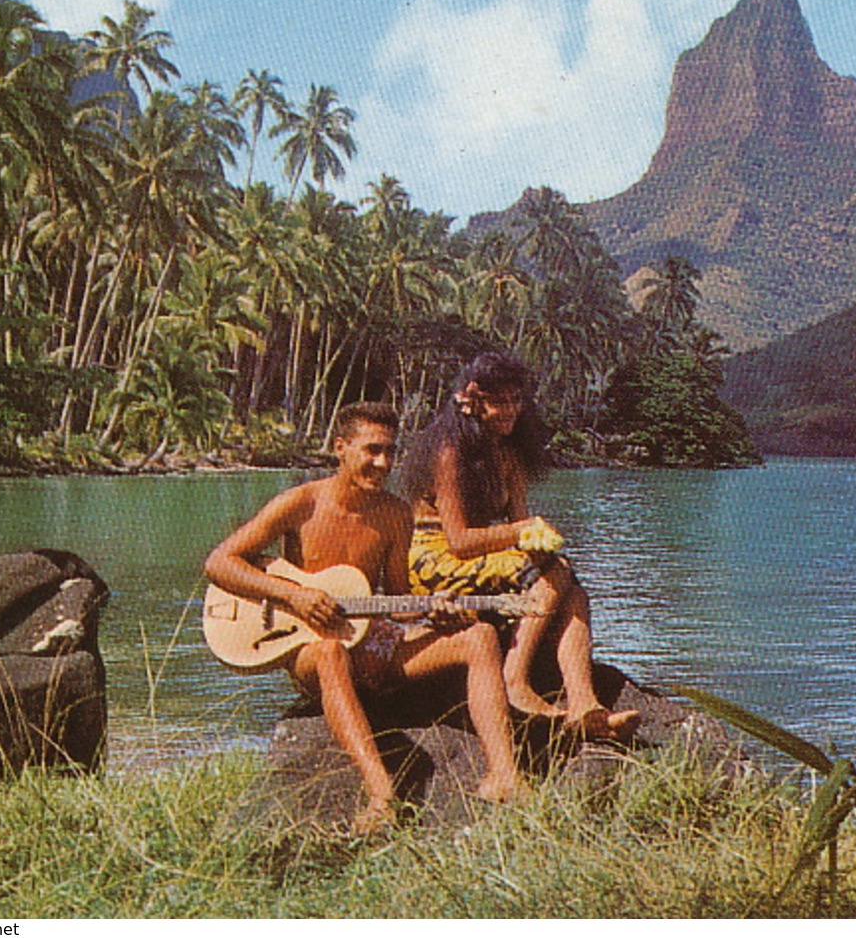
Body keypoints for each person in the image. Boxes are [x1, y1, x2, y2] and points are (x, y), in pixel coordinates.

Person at [204, 401, 522, 834]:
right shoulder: (301, 502)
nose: (383, 463)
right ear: (340, 448)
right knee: (330, 649)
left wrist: (436, 613)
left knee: (481, 635)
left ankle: (504, 775)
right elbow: (220, 563)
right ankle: (381, 794)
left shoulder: (393, 514)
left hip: (372, 642)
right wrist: (294, 596)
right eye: (372, 450)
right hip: (311, 647)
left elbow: (398, 599)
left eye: (390, 452)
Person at [399, 353, 639, 740]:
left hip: (480, 557)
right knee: (554, 572)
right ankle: (514, 677)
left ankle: (583, 703)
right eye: (501, 402)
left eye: (516, 400)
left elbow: (519, 530)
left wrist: (535, 538)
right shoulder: (448, 452)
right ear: (475, 401)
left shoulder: (508, 454)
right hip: (434, 557)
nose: (511, 410)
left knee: (573, 593)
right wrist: (525, 530)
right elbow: (459, 542)